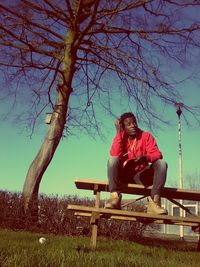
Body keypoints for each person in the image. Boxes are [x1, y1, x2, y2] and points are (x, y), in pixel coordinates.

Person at [105, 112, 168, 215]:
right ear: (123, 127)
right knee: (112, 160)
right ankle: (114, 199)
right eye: (128, 124)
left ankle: (155, 203)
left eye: (134, 122)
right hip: (123, 175)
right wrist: (118, 133)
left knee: (162, 164)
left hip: (141, 175)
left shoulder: (146, 136)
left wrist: (146, 158)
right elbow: (114, 154)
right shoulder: (120, 137)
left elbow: (158, 154)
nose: (133, 125)